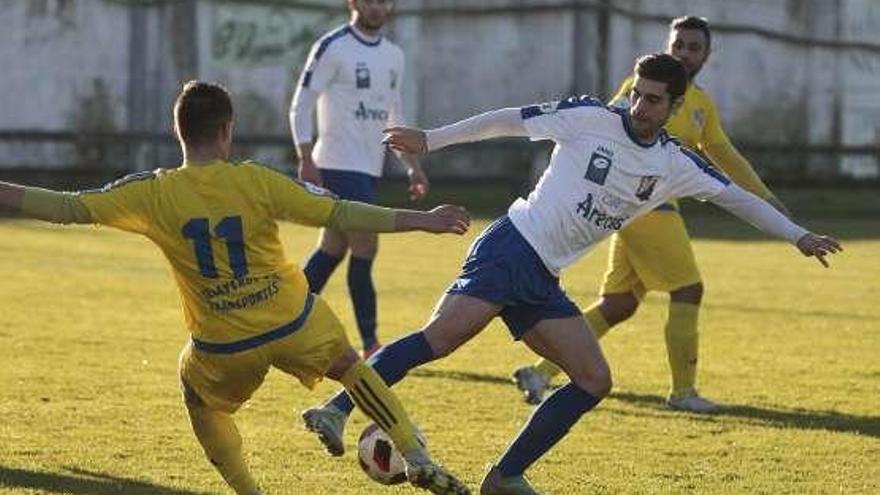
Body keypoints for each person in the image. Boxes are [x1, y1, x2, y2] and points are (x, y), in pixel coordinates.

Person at [299, 54, 841, 495]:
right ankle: (337, 410)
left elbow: (737, 198)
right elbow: (509, 120)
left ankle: (504, 476)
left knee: (593, 381)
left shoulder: (675, 163)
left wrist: (798, 236)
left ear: (675, 106)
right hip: (514, 245)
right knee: (440, 340)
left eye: (654, 99)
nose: (640, 105)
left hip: (544, 274)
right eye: (637, 93)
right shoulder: (591, 117)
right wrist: (433, 139)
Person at [0, 81, 472, 495]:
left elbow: (67, 206)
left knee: (199, 401)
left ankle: (248, 490)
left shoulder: (154, 192)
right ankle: (415, 453)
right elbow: (340, 213)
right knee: (351, 366)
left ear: (178, 132)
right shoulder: (256, 180)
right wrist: (421, 220)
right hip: (294, 321)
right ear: (227, 131)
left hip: (224, 344)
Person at [513, 16, 792, 412]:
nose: (685, 53)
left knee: (620, 303)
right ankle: (683, 393)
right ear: (669, 44)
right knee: (688, 290)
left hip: (648, 209)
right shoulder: (641, 87)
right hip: (644, 208)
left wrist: (763, 196)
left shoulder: (701, 105)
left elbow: (724, 153)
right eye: (679, 45)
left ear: (707, 55)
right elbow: (604, 132)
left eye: (694, 47)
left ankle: (540, 373)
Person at [290, 0, 426, 358]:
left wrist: (411, 165)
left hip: (367, 167)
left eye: (384, 1)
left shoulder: (395, 55)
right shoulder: (333, 46)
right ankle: (370, 345)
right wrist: (305, 158)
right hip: (336, 164)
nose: (377, 7)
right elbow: (301, 104)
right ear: (352, 3)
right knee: (366, 245)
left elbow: (393, 116)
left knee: (333, 248)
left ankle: (282, 319)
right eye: (369, 0)